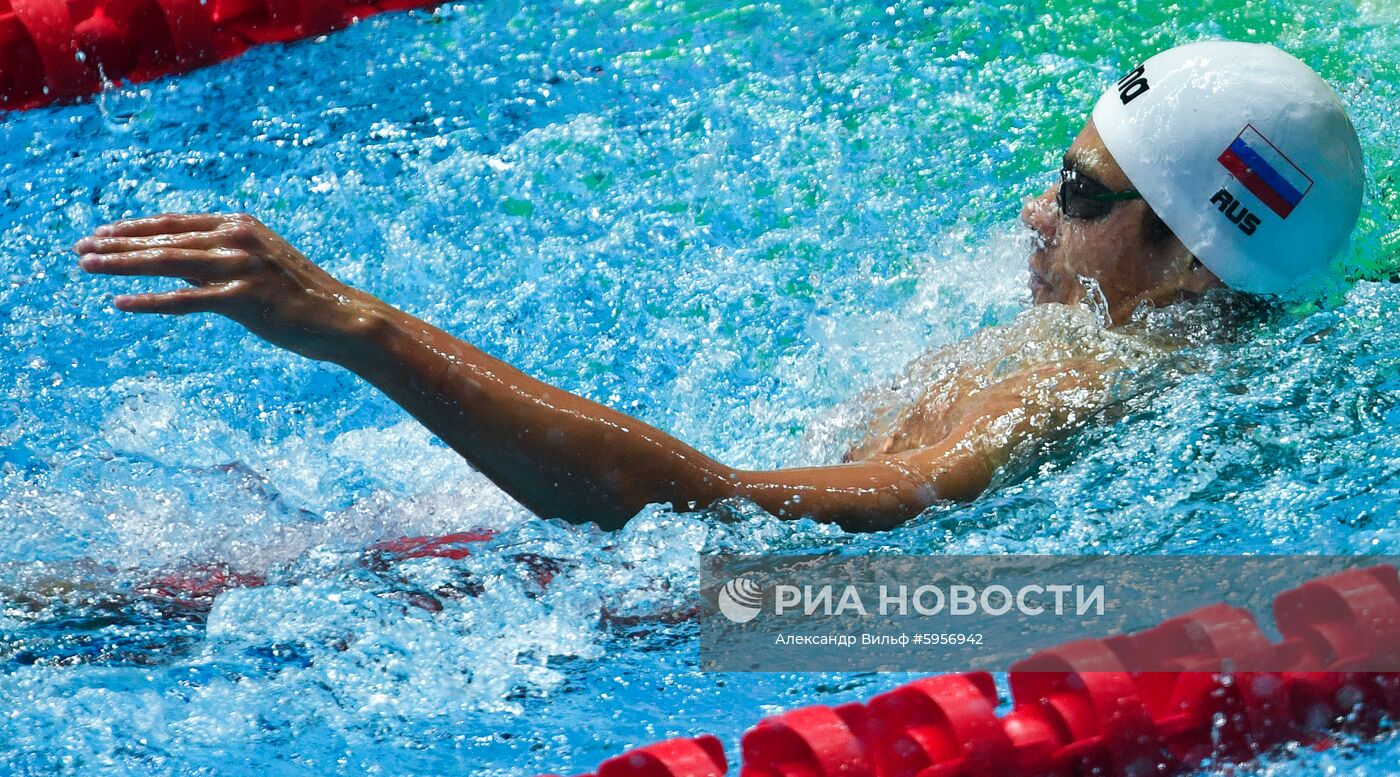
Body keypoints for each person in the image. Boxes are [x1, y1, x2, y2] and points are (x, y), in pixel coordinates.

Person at [72, 41, 1364, 533]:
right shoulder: (1135, 341)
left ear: (1197, 254)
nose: (1036, 209)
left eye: (1083, 195)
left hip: (619, 589)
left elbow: (713, 517)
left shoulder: (1089, 393)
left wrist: (360, 328)